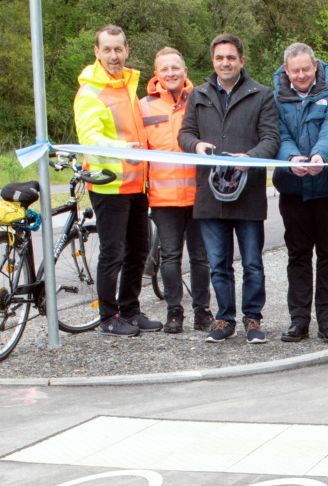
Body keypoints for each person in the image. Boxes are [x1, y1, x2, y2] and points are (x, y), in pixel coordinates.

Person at [179, 33, 280, 343]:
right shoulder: (197, 95)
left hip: (247, 193)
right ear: (213, 61)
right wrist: (196, 145)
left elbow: (272, 139)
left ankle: (252, 318)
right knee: (218, 264)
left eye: (231, 57)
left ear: (241, 60)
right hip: (209, 194)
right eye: (220, 57)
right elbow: (185, 134)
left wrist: (250, 158)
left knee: (252, 262)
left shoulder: (262, 94)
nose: (225, 62)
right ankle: (225, 319)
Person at [74, 25, 161, 337]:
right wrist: (125, 150)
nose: (113, 56)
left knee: (138, 250)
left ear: (127, 50)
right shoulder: (90, 92)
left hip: (137, 184)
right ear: (97, 52)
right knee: (113, 252)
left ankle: (130, 309)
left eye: (118, 49)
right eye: (107, 50)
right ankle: (108, 317)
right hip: (109, 185)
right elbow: (90, 139)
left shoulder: (127, 85)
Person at [272, 42, 328, 346]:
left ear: (315, 65)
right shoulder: (276, 97)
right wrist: (293, 159)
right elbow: (277, 133)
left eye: (307, 68)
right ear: (287, 71)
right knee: (298, 256)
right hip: (293, 190)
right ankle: (299, 321)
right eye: (296, 70)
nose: (302, 75)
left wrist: (319, 156)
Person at [139, 47, 213, 334]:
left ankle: (202, 312)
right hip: (164, 198)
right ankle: (174, 313)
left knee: (200, 258)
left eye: (175, 68)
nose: (170, 73)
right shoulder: (144, 106)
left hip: (199, 196)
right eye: (164, 69)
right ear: (156, 74)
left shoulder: (201, 100)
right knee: (170, 257)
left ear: (185, 71)